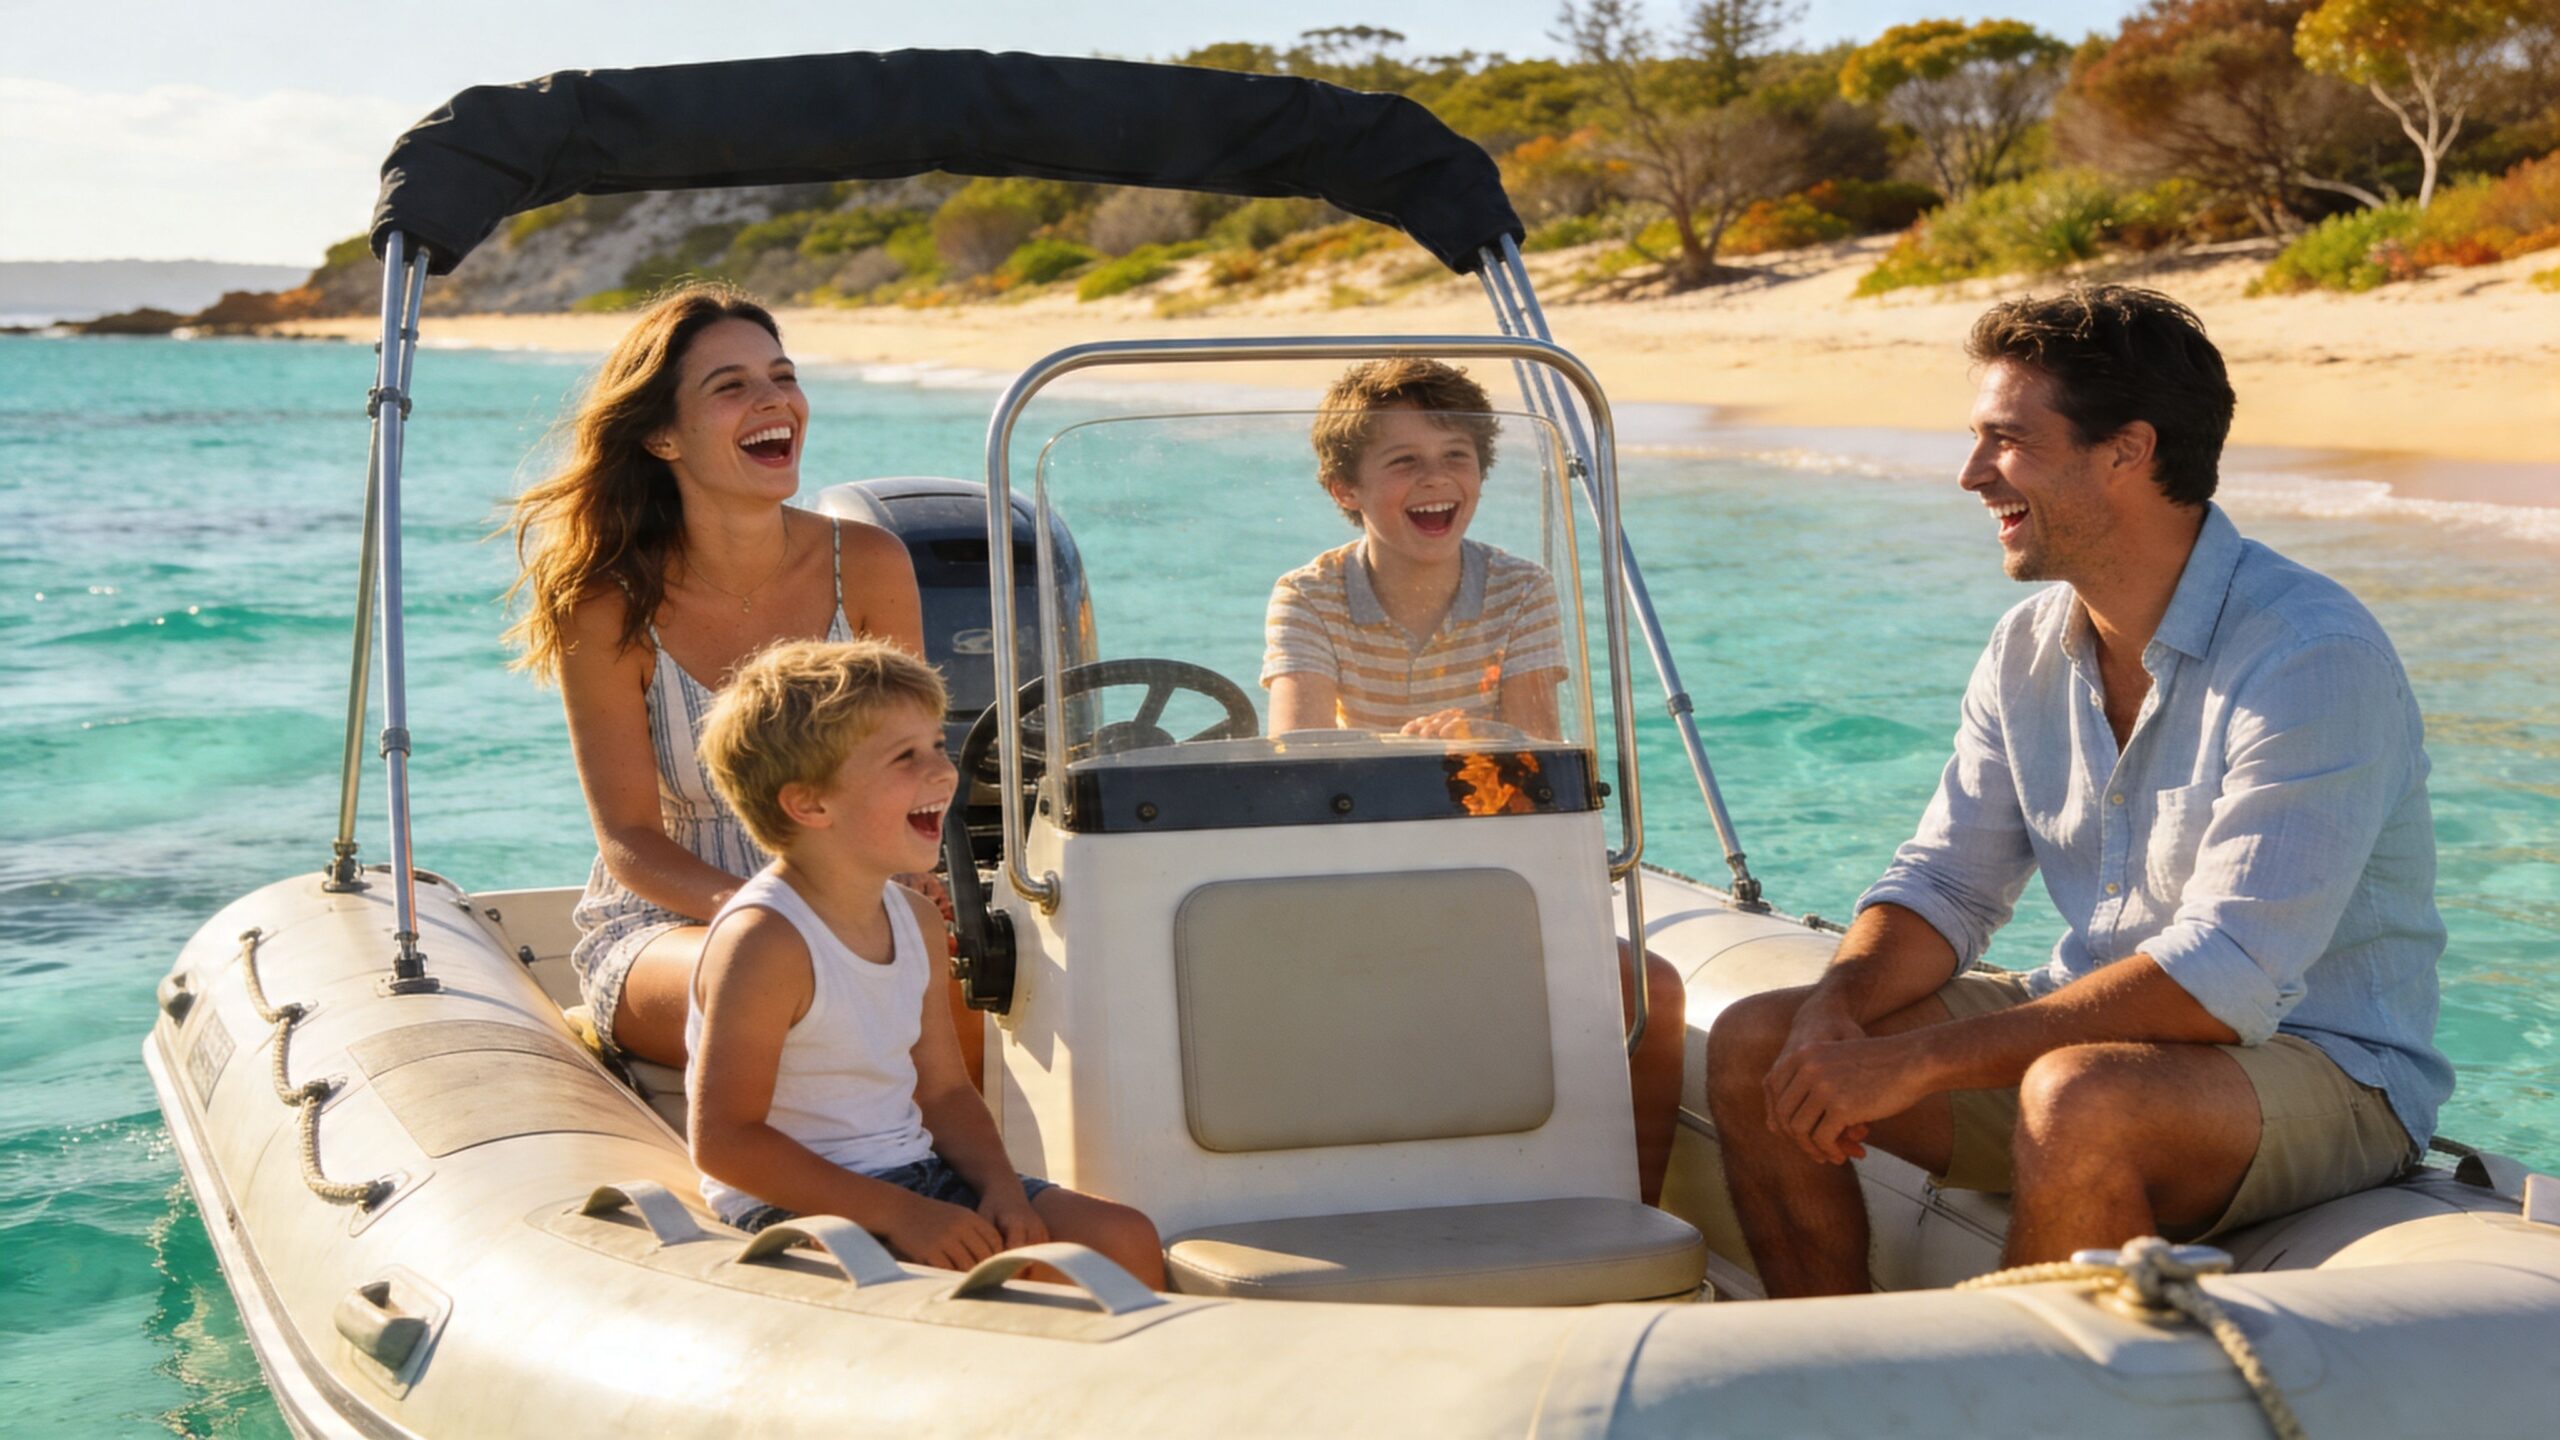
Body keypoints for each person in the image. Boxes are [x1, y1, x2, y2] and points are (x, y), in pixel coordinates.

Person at [1706, 286, 2450, 1296]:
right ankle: (1837, 1367)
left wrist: (1924, 1062)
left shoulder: (2311, 654)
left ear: (2125, 451)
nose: (1971, 475)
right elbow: (1946, 886)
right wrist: (1834, 1011)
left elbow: (2223, 973)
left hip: (2323, 1066)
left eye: (2004, 441)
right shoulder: (2025, 648)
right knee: (1762, 1042)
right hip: (2096, 1028)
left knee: (2078, 1096)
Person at [503, 283, 963, 1072]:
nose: (772, 400)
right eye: (732, 387)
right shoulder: (607, 603)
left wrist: (906, 885)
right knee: (774, 974)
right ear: (661, 437)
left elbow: (911, 774)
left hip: (858, 899)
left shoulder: (871, 563)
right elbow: (629, 842)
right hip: (675, 919)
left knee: (971, 997)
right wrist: (781, 916)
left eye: (782, 376)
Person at [1260, 357, 1688, 1205]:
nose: (1436, 480)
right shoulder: (1306, 596)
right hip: (1354, 878)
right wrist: (1427, 751)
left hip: (1493, 878)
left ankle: (1633, 1208)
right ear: (1344, 488)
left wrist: (1484, 741)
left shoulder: (1521, 588)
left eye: (1457, 455)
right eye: (1404, 462)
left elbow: (1539, 758)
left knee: (1653, 989)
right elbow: (1298, 759)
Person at [685, 637, 1164, 1282]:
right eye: (905, 758)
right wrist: (904, 1215)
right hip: (796, 1205)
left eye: (938, 745)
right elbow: (725, 1143)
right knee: (1036, 1277)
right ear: (810, 804)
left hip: (917, 1176)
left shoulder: (912, 919)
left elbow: (942, 1091)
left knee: (1123, 1239)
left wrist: (1003, 1189)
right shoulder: (767, 941)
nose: (943, 772)